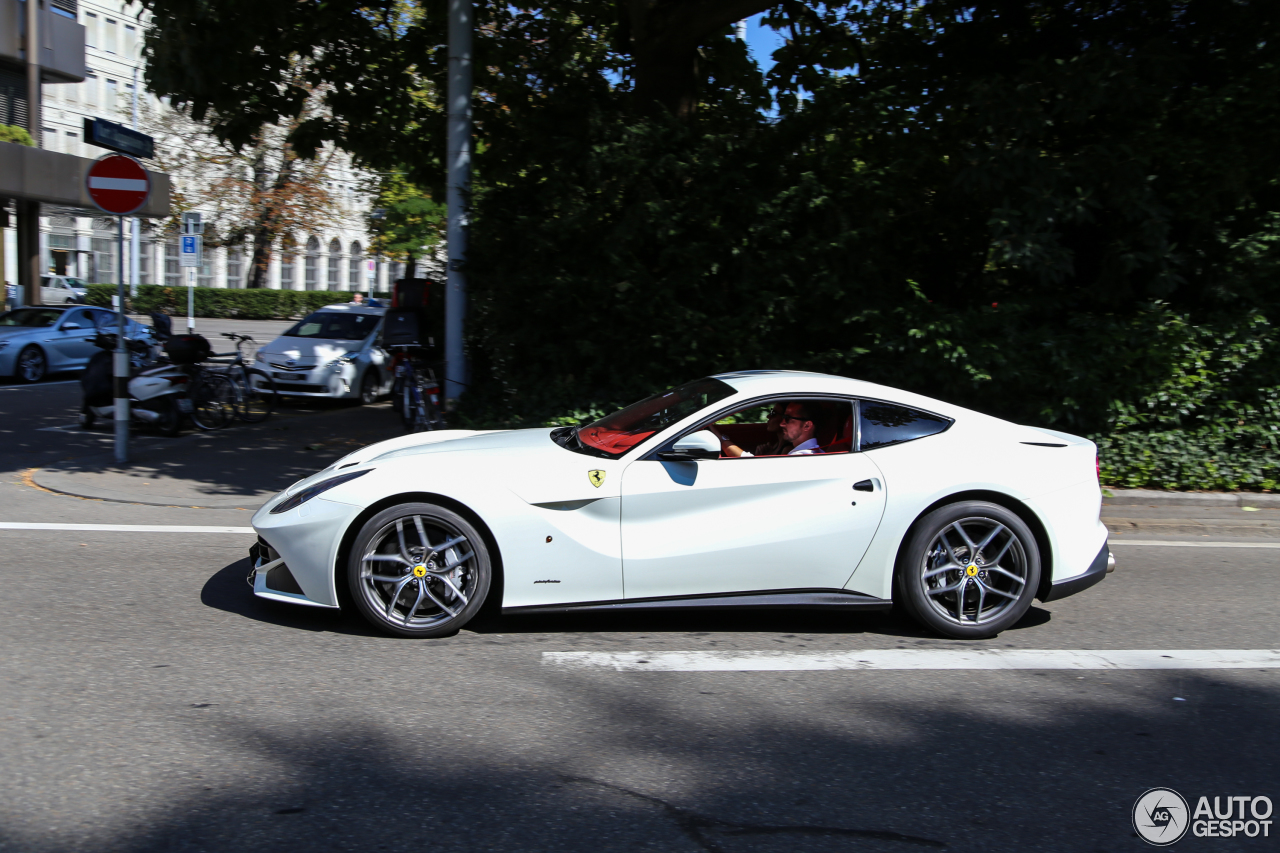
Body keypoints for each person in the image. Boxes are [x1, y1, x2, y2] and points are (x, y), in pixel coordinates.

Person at [721, 401, 824, 457]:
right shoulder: (811, 452)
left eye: (787, 419)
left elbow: (756, 472)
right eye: (783, 417)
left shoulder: (800, 457)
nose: (782, 424)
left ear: (807, 426)